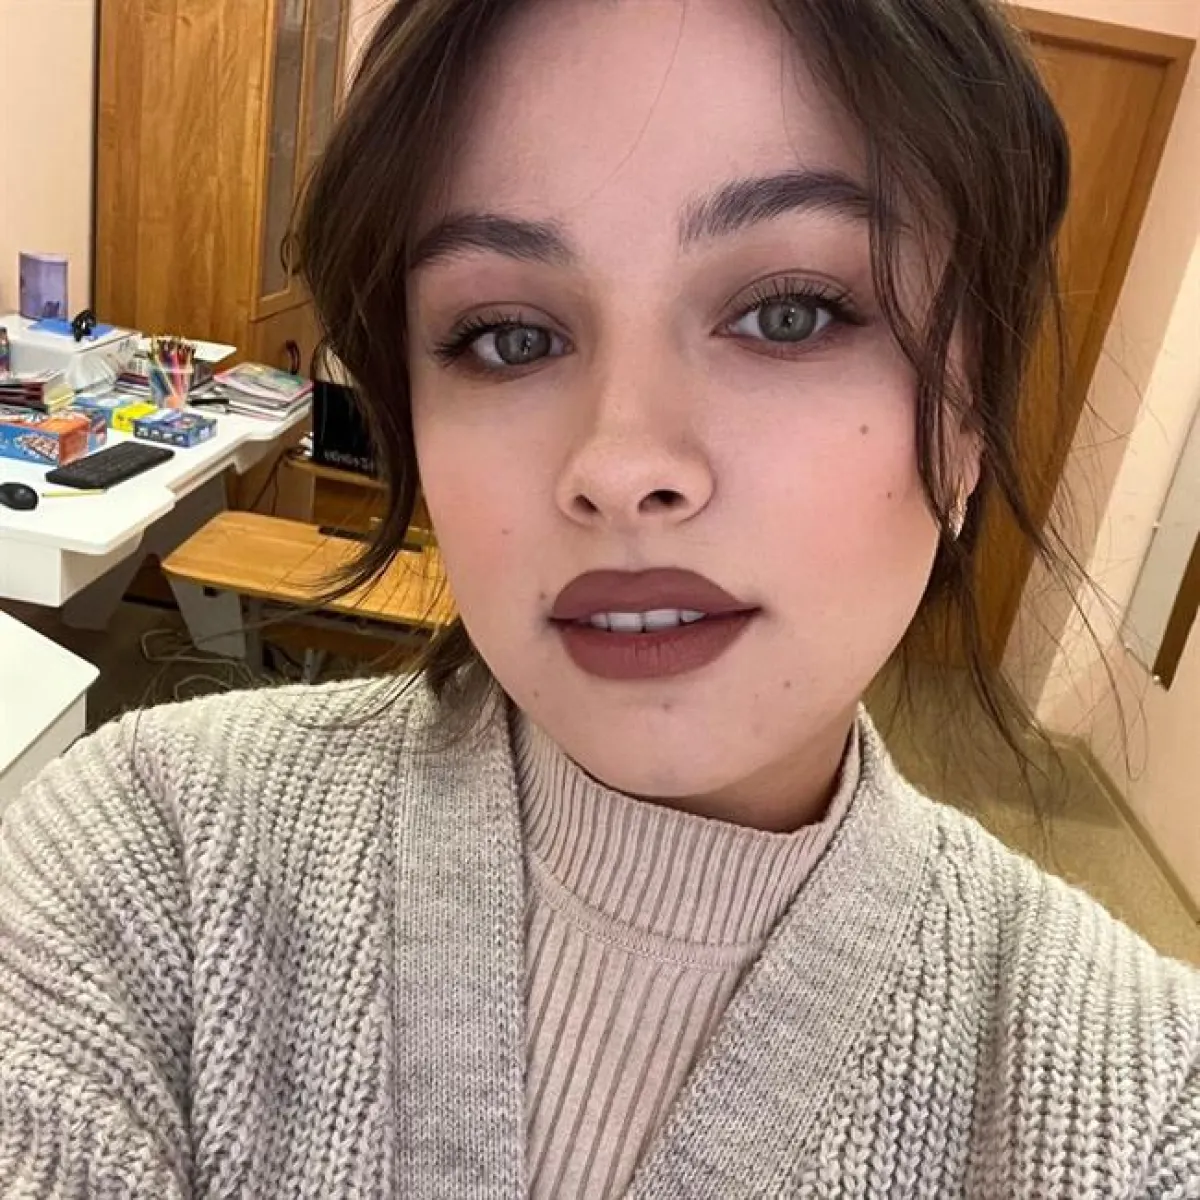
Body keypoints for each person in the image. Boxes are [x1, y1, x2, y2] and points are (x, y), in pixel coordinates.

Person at [2, 0, 1197, 1194]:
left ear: (970, 418)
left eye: (788, 314)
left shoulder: (1139, 1103)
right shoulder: (148, 856)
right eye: (508, 337)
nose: (620, 466)